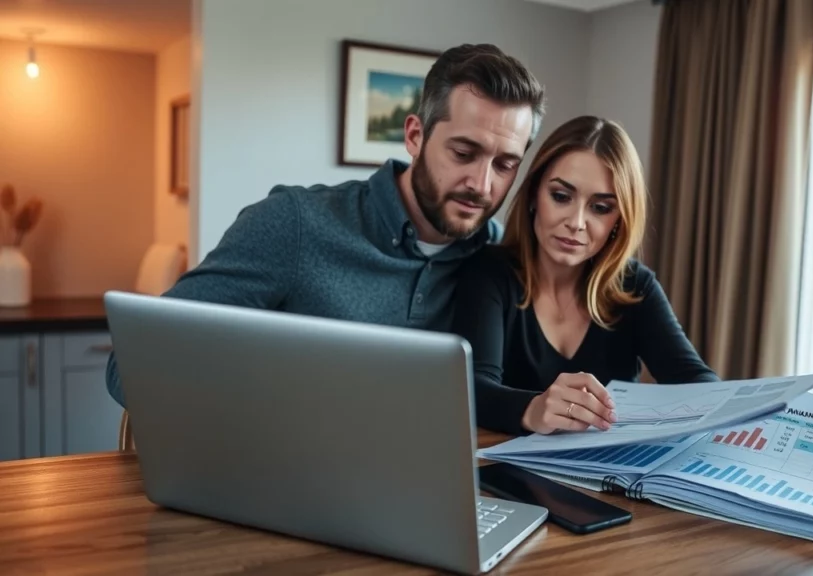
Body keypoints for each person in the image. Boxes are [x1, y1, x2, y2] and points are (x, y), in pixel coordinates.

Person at [105, 43, 547, 407]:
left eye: (505, 164)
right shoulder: (294, 223)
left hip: (417, 487)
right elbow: (132, 367)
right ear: (414, 135)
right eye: (463, 153)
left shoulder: (492, 256)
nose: (482, 184)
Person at [450, 115, 720, 437]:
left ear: (619, 220)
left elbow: (698, 383)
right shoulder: (489, 273)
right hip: (504, 477)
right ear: (535, 195)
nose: (577, 222)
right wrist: (535, 409)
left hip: (605, 482)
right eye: (561, 197)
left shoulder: (635, 286)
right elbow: (471, 390)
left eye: (600, 208)